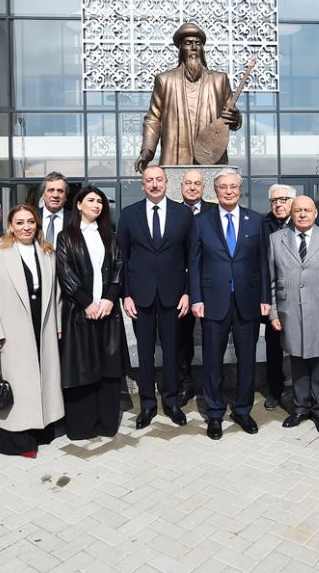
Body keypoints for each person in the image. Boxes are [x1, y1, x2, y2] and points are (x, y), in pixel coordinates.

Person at [0, 204, 64, 458]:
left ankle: (41, 430)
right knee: (18, 382)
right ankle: (18, 441)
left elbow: (57, 293)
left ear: (37, 224)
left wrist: (58, 325)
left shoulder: (47, 251)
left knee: (43, 376)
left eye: (30, 222)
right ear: (11, 226)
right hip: (11, 327)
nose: (26, 227)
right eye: (20, 222)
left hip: (42, 324)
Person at [189, 168, 270, 440]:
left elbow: (263, 262)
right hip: (213, 301)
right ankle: (214, 412)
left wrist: (265, 298)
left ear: (240, 189)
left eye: (233, 186)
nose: (229, 191)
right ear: (215, 191)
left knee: (247, 359)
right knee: (213, 359)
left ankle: (243, 410)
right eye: (223, 187)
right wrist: (196, 297)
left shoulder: (255, 219)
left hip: (248, 301)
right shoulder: (201, 221)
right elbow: (194, 263)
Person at [116, 166, 191, 429]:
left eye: (159, 179)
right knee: (145, 351)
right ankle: (147, 404)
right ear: (143, 185)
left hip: (174, 294)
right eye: (149, 180)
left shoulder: (183, 213)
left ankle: (171, 402)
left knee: (172, 350)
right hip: (140, 295)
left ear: (166, 182)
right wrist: (126, 294)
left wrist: (188, 292)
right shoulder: (129, 214)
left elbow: (192, 257)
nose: (155, 184)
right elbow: (122, 258)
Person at [56, 187, 131, 440]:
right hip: (80, 313)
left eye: (100, 201)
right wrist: (86, 303)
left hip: (108, 313)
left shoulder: (109, 235)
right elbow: (65, 272)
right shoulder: (67, 236)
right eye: (91, 200)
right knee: (82, 369)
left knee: (109, 369)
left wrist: (110, 299)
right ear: (78, 205)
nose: (97, 205)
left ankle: (107, 424)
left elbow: (118, 267)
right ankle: (82, 426)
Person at [268, 196, 319, 434]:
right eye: (297, 210)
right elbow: (271, 280)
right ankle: (301, 407)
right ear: (291, 213)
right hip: (289, 310)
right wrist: (273, 313)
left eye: (307, 210)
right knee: (297, 360)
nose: (302, 214)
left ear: (315, 213)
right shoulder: (276, 239)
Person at [135, 23, 242, 171]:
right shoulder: (165, 80)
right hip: (175, 157)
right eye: (188, 43)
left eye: (198, 43)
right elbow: (153, 118)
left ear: (202, 48)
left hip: (210, 157)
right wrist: (147, 150)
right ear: (181, 48)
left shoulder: (219, 80)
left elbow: (231, 115)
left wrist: (235, 117)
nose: (193, 47)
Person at [177, 169, 215, 404]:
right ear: (181, 186)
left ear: (203, 187)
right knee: (182, 339)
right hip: (181, 287)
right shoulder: (173, 212)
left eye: (197, 183)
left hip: (211, 285)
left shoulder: (215, 211)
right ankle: (185, 384)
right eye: (188, 183)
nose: (192, 187)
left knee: (213, 337)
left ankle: (213, 384)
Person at [260, 183, 296, 410]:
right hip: (272, 296)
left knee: (301, 346)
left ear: (293, 201)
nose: (278, 204)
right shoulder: (262, 225)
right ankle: (275, 390)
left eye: (283, 199)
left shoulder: (304, 221)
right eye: (274, 200)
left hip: (298, 295)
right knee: (273, 347)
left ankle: (304, 392)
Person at [40, 172, 70, 246]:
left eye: (60, 191)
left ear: (66, 196)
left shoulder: (75, 220)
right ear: (43, 194)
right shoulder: (33, 217)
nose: (55, 195)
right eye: (51, 190)